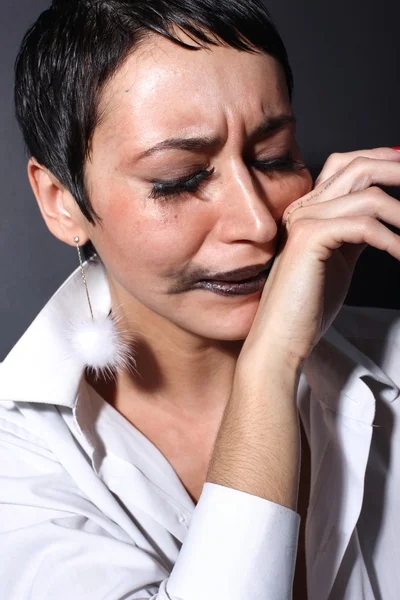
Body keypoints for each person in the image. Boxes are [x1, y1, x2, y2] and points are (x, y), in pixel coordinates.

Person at [1, 0, 400, 598]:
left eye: (275, 157)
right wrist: (266, 370)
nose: (260, 223)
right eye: (179, 178)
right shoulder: (18, 458)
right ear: (62, 201)